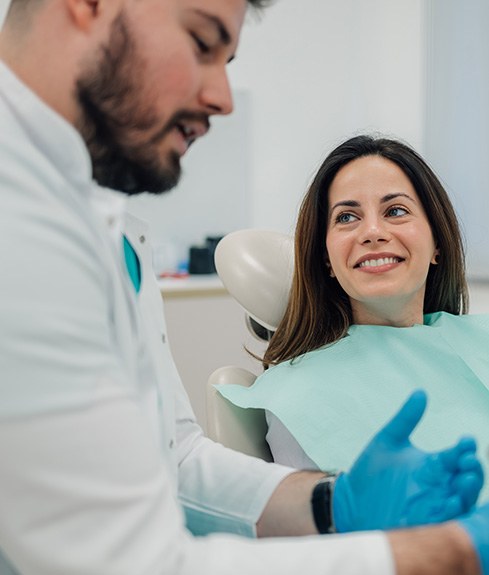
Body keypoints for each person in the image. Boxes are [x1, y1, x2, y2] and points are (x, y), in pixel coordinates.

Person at [0, 0, 487, 573]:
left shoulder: (102, 223)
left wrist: (331, 503)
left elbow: (175, 459)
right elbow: (125, 560)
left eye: (398, 211)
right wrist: (436, 553)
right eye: (202, 42)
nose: (223, 99)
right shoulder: (20, 223)